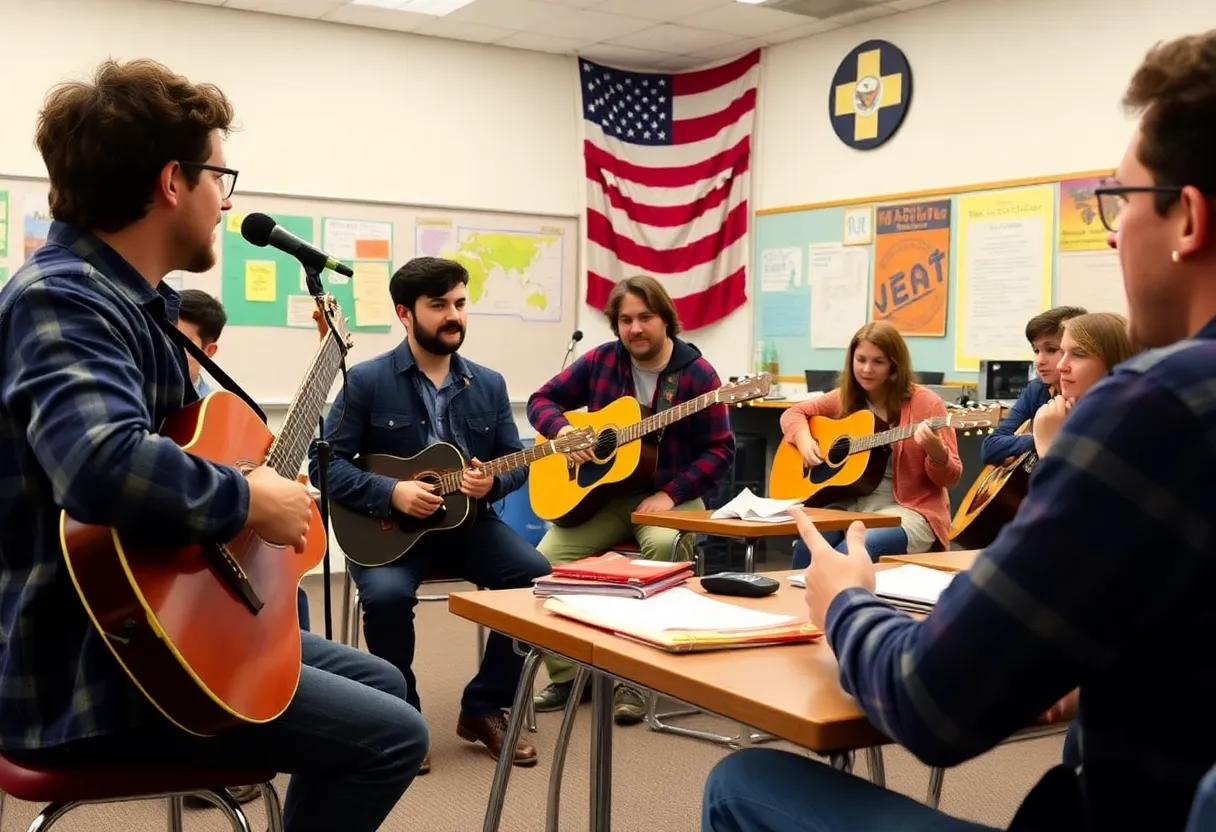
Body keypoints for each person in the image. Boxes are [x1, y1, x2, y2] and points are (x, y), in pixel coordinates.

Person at [702, 30, 1216, 832]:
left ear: (1186, 217)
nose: (1112, 235)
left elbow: (929, 705)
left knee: (743, 784)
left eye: (1117, 202)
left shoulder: (1158, 407)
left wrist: (842, 605)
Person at [0, 59, 427, 832]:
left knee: (389, 686)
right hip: (92, 662)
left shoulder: (138, 305)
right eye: (219, 177)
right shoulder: (58, 297)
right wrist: (248, 497)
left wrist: (248, 485)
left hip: (158, 622)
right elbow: (99, 464)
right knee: (396, 737)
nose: (226, 201)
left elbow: (172, 447)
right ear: (173, 181)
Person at [310, 255, 551, 775]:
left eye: (460, 304)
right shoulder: (368, 381)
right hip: (388, 530)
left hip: (468, 526)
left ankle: (485, 706)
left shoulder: (488, 383)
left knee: (537, 581)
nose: (453, 315)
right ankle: (403, 718)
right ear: (405, 313)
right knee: (389, 597)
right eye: (438, 305)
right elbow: (323, 465)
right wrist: (391, 492)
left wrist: (494, 480)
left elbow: (514, 463)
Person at [526, 275, 735, 721]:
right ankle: (568, 677)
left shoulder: (698, 375)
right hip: (601, 498)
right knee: (538, 565)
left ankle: (637, 680)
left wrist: (671, 492)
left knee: (660, 552)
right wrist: (563, 431)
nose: (636, 328)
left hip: (670, 497)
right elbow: (541, 399)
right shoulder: (601, 361)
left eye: (645, 317)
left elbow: (721, 449)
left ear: (665, 319)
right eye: (625, 320)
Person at [779, 321, 962, 568]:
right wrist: (803, 438)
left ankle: (844, 606)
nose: (866, 369)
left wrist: (936, 453)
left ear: (894, 366)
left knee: (852, 551)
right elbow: (793, 414)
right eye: (861, 359)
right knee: (808, 546)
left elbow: (951, 477)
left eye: (878, 362)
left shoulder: (927, 404)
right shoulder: (847, 397)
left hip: (909, 511)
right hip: (851, 503)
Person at [979, 305, 1087, 466]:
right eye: (1036, 350)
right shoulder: (1037, 389)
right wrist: (1038, 439)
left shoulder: (1092, 397)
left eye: (1051, 350)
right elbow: (990, 448)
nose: (1039, 361)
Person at [1032, 312, 1142, 457]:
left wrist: (1049, 445)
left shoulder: (1129, 430)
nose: (1061, 366)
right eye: (1062, 352)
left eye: (1078, 354)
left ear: (1117, 363)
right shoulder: (1082, 416)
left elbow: (1067, 480)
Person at [176, 287, 226, 397]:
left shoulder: (214, 411)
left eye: (182, 343)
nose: (167, 350)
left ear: (209, 351)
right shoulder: (134, 394)